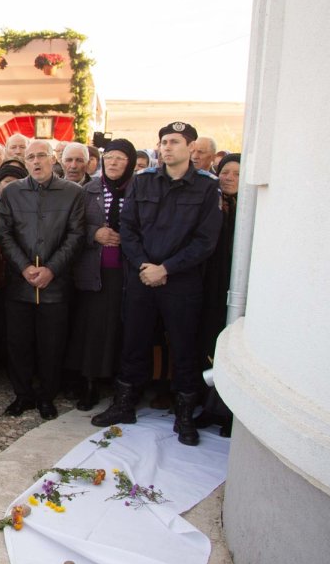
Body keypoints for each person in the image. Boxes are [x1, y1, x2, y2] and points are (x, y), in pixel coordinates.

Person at [91, 122, 222, 446]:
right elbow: (129, 228)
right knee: (134, 342)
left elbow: (206, 241)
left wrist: (166, 268)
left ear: (190, 148)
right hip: (142, 277)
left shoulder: (206, 188)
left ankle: (184, 415)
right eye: (163, 141)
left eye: (174, 142)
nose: (167, 147)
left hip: (181, 281)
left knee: (183, 347)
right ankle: (125, 405)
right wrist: (145, 266)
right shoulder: (144, 181)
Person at [0, 139, 85, 420]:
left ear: (53, 158)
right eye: (30, 157)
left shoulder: (73, 193)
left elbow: (76, 235)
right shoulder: (13, 192)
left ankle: (47, 396)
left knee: (52, 344)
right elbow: (5, 234)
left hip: (55, 284)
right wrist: (24, 268)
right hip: (19, 283)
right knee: (18, 343)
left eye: (41, 156)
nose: (35, 161)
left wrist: (51, 269)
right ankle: (22, 395)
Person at [67, 139, 137, 410]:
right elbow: (74, 226)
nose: (114, 163)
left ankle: (121, 384)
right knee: (92, 330)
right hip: (94, 273)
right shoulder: (88, 190)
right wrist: (94, 233)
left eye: (120, 158)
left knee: (121, 328)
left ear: (129, 162)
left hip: (127, 273)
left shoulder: (138, 190)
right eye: (110, 158)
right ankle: (90, 384)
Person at [194, 153, 240, 435]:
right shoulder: (209, 204)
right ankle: (208, 406)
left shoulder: (251, 211)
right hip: (207, 285)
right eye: (225, 172)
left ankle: (228, 411)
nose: (229, 178)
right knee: (207, 344)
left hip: (235, 289)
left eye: (236, 173)